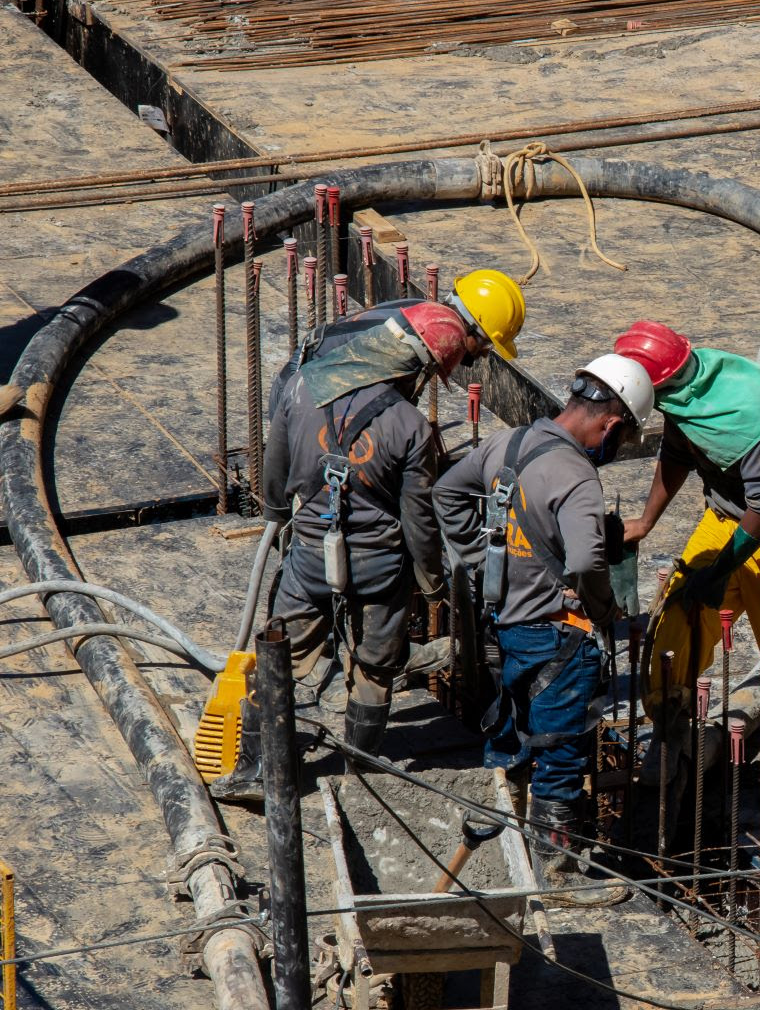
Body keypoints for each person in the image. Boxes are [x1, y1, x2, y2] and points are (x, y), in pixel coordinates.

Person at [211, 274, 517, 803]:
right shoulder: (411, 428)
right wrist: (432, 581)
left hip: (310, 554)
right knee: (376, 667)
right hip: (381, 570)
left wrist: (285, 516)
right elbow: (420, 521)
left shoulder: (302, 388)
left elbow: (277, 481)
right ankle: (362, 775)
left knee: (276, 654)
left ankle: (258, 772)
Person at [433, 355, 654, 889]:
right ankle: (554, 877)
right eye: (618, 442)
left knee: (514, 738)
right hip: (561, 637)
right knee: (559, 753)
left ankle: (502, 854)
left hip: (509, 627)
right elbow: (584, 562)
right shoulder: (577, 476)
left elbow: (446, 493)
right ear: (612, 424)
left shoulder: (505, 445)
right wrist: (601, 609)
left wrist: (484, 561)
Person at [616, 321, 760, 807]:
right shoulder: (686, 394)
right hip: (727, 515)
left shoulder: (744, 413)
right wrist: (646, 521)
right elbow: (677, 451)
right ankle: (674, 734)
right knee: (676, 620)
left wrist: (717, 574)